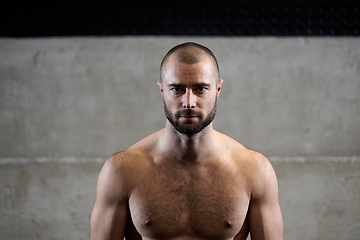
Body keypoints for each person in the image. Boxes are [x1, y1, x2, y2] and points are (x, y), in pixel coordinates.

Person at [90, 42, 283, 240]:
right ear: (162, 90)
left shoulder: (254, 170)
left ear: (217, 89)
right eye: (177, 89)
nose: (189, 102)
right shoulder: (122, 170)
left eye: (200, 89)